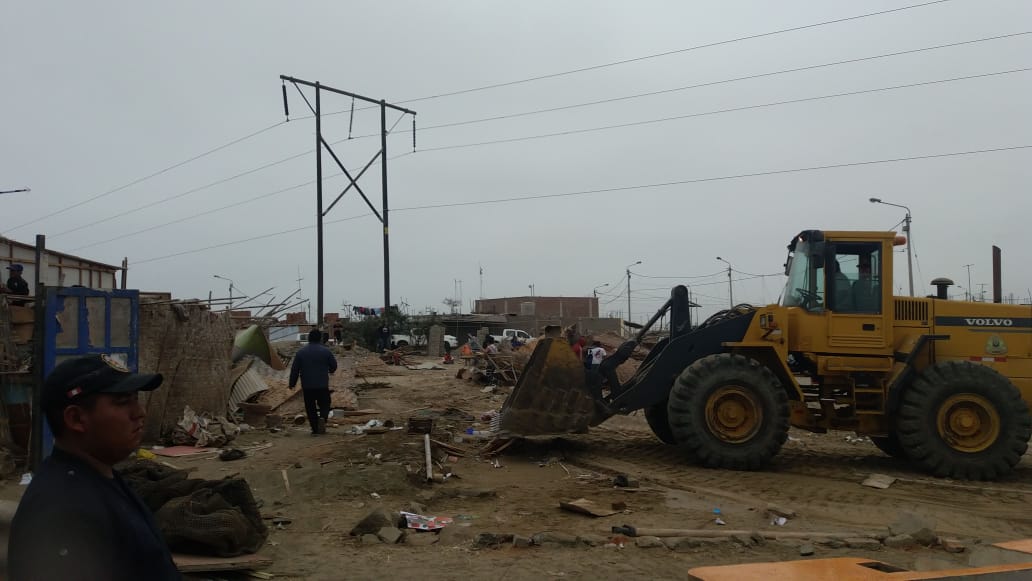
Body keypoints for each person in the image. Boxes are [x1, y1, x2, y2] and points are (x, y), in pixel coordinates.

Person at [7, 354, 181, 580]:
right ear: (76, 419)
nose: (139, 412)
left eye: (135, 399)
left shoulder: (99, 476)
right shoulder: (64, 514)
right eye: (122, 401)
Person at [289, 328, 338, 435]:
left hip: (307, 386)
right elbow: (334, 365)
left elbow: (295, 370)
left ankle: (315, 429)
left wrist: (292, 383)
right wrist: (330, 370)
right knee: (325, 404)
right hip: (322, 385)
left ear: (308, 338)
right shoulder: (326, 351)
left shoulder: (301, 353)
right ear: (320, 339)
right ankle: (323, 419)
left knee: (310, 408)